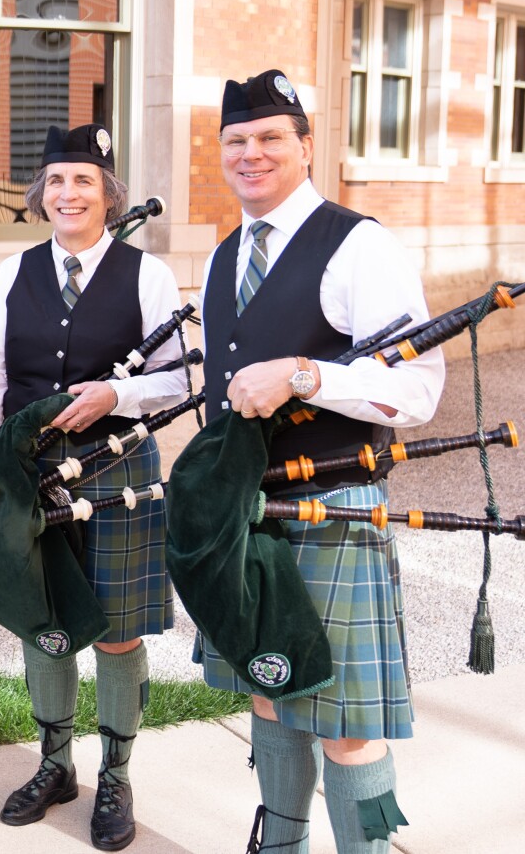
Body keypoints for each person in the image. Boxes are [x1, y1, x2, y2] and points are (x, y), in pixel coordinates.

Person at [196, 69, 444, 853]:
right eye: (237, 139)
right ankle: (282, 843)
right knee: (270, 693)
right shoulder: (224, 252)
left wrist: (309, 374)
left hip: (333, 509)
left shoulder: (359, 244)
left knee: (346, 722)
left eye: (271, 137)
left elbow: (417, 390)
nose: (251, 153)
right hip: (249, 518)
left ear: (306, 146)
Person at [0, 123, 184, 851]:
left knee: (117, 635)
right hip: (26, 473)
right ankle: (55, 766)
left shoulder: (147, 274)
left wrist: (115, 397)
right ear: (40, 194)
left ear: (108, 193)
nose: (67, 193)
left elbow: (180, 380)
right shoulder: (15, 273)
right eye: (55, 181)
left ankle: (115, 773)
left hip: (117, 468)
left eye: (83, 180)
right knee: (44, 620)